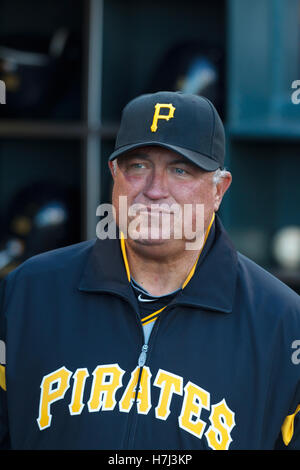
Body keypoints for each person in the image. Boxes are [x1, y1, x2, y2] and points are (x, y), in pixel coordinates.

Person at [0, 91, 299, 450]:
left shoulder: (281, 321)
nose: (155, 190)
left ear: (219, 189)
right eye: (138, 166)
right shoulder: (29, 292)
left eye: (180, 169)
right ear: (115, 174)